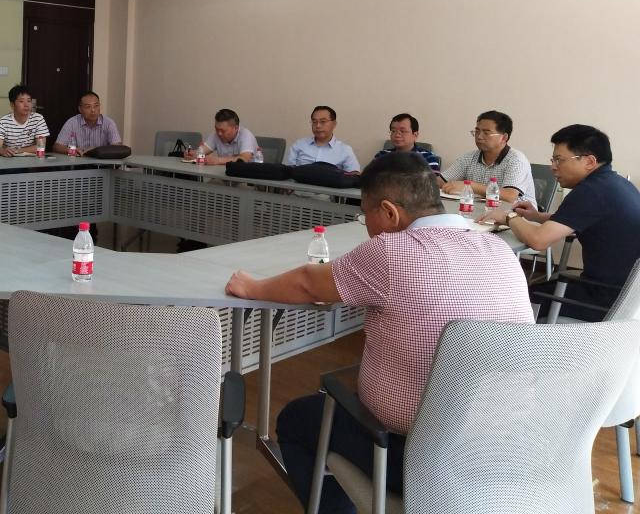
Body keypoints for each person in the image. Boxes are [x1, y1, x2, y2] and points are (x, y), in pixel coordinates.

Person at [225, 153, 533, 512]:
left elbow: (309, 283)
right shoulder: (499, 250)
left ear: (388, 212)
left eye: (365, 215)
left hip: (426, 460)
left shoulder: (391, 251)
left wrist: (252, 287)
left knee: (296, 420)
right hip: (509, 452)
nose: (366, 225)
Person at [481, 124, 640, 321]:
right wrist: (535, 216)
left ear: (589, 161)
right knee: (531, 291)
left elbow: (538, 241)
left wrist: (507, 216)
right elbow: (578, 221)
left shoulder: (590, 192)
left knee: (512, 302)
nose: (553, 167)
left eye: (559, 160)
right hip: (627, 297)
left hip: (602, 299)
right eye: (553, 160)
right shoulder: (617, 184)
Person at [439, 109, 536, 205]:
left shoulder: (516, 160)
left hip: (516, 212)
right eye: (477, 131)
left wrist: (470, 186)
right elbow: (440, 181)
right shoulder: (469, 157)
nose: (479, 137)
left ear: (504, 137)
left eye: (486, 133)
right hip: (480, 210)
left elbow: (510, 196)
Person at [284, 106, 359, 171]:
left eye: (323, 121)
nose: (318, 126)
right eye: (314, 122)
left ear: (334, 124)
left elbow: (354, 175)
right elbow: (287, 171)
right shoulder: (299, 144)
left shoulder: (345, 150)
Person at [52, 91, 122, 155]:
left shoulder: (109, 123)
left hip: (102, 162)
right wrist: (72, 150)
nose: (93, 110)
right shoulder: (72, 122)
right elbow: (57, 147)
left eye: (96, 106)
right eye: (88, 107)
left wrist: (98, 151)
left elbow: (117, 147)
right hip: (78, 162)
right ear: (80, 109)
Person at [183, 108, 257, 165]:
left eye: (223, 130)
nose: (219, 133)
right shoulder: (216, 134)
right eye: (216, 129)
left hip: (247, 177)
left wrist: (217, 160)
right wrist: (193, 154)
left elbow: (244, 159)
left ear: (236, 128)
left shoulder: (246, 135)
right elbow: (202, 150)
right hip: (224, 174)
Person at [374, 113, 441, 173]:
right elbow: (370, 178)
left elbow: (433, 181)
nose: (397, 135)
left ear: (415, 135)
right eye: (393, 131)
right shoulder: (381, 155)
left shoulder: (428, 157)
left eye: (402, 131)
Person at [0, 84, 49, 157]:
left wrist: (17, 151)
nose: (26, 105)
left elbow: (41, 146)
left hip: (31, 161)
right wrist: (2, 151)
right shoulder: (2, 123)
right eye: (21, 101)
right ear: (12, 105)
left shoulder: (38, 119)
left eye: (29, 101)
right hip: (8, 160)